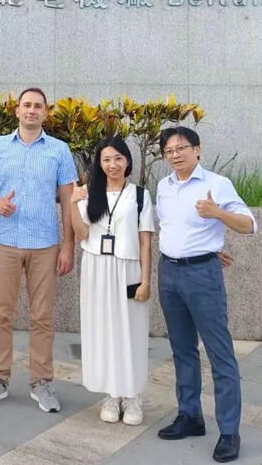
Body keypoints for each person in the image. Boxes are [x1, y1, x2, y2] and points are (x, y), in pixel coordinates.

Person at [155, 126, 256, 463]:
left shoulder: (217, 184)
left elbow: (249, 224)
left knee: (219, 353)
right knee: (182, 350)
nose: (175, 155)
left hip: (202, 276)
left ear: (197, 149)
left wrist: (218, 215)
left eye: (181, 148)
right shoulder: (163, 187)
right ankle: (190, 415)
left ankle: (229, 431)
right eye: (169, 151)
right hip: (168, 273)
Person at [0, 88, 77, 413]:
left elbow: (69, 201)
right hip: (4, 240)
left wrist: (68, 245)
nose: (32, 110)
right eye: (26, 105)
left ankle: (41, 382)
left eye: (38, 106)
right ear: (17, 111)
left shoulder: (59, 150)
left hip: (45, 244)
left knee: (42, 317)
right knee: (1, 314)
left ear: (46, 113)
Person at [70, 136, 154, 425]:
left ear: (127, 161)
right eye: (106, 159)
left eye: (118, 158)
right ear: (99, 163)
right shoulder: (88, 193)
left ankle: (132, 396)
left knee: (130, 330)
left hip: (129, 269)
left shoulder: (140, 195)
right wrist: (72, 203)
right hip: (96, 267)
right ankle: (111, 394)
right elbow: (81, 234)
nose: (112, 164)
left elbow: (145, 242)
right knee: (101, 330)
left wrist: (146, 279)